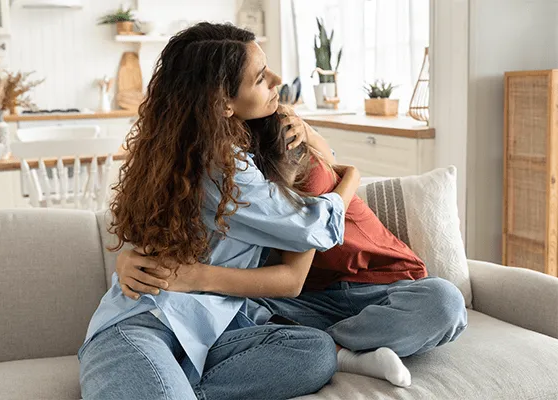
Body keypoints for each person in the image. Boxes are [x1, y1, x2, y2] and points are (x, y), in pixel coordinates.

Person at [78, 22, 362, 400]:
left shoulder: (196, 152)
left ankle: (179, 385)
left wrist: (309, 136)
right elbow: (313, 225)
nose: (277, 80)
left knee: (313, 351)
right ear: (222, 103)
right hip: (146, 325)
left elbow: (310, 180)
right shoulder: (221, 166)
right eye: (261, 78)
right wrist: (354, 177)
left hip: (214, 334)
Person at [118, 109, 468, 388]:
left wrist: (343, 170)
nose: (274, 83)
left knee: (443, 302)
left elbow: (301, 253)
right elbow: (187, 235)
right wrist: (129, 259)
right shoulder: (227, 177)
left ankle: (338, 348)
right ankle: (343, 349)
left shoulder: (294, 155)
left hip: (380, 287)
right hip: (300, 304)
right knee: (218, 312)